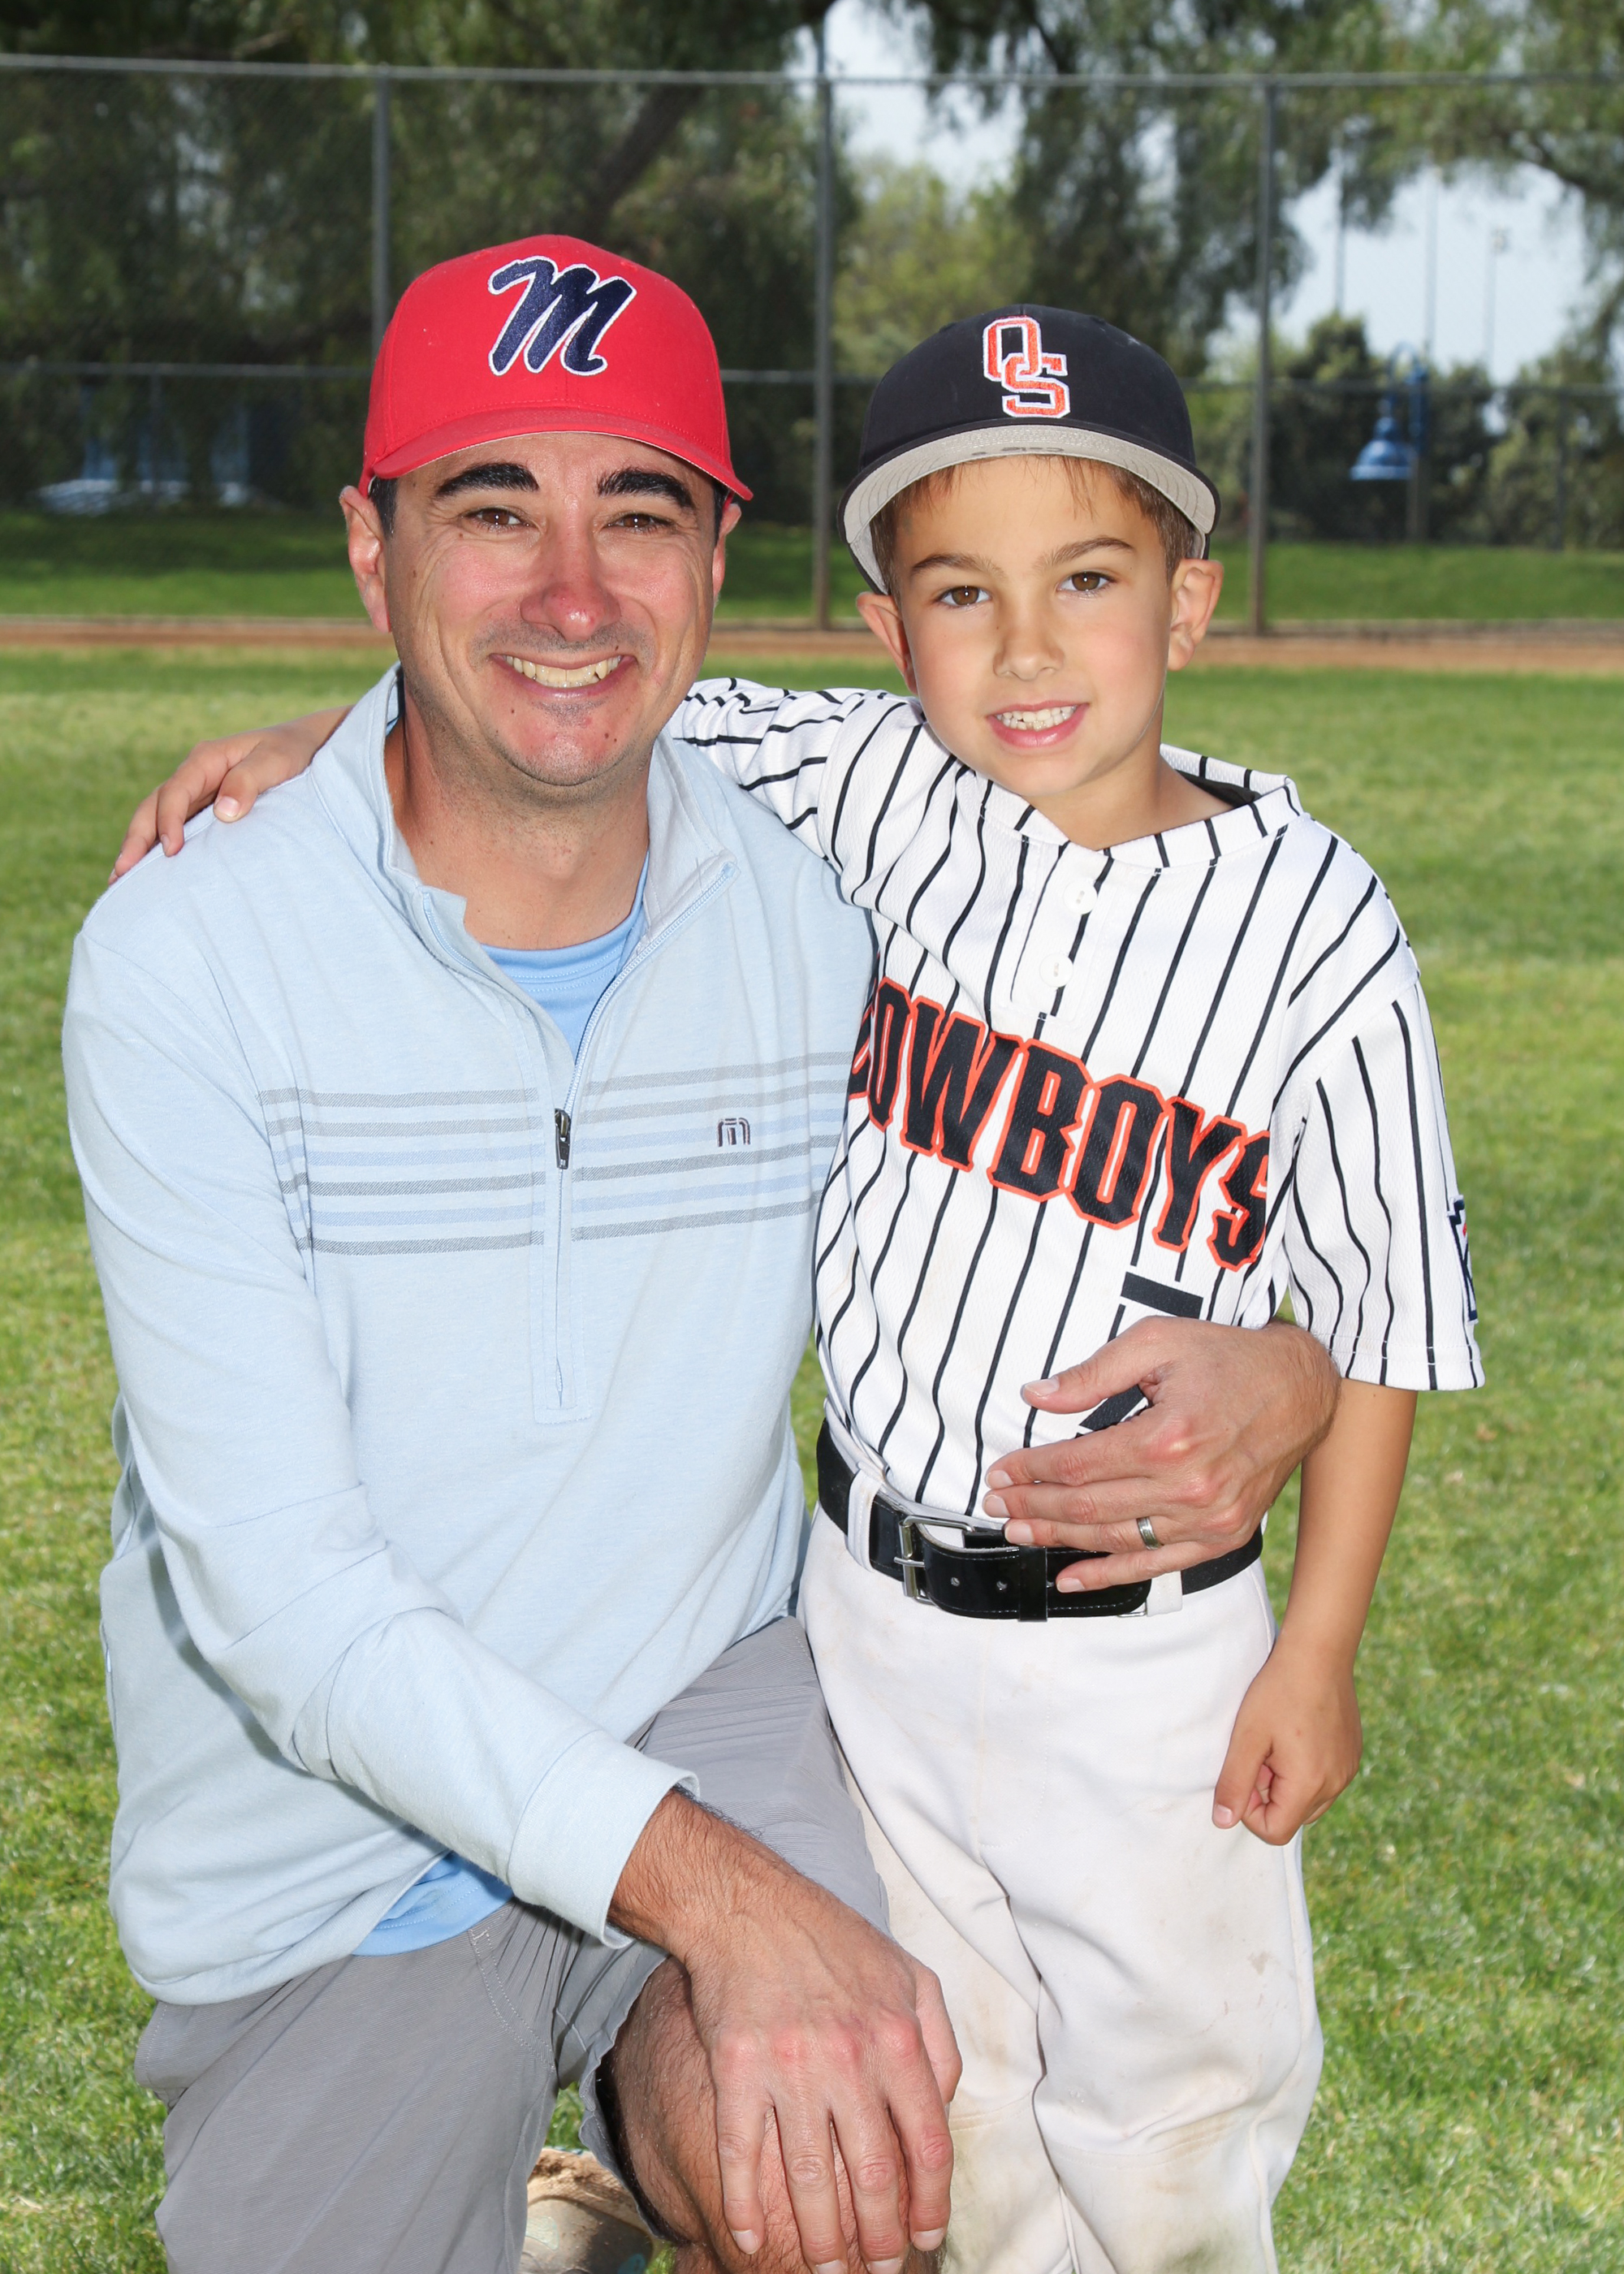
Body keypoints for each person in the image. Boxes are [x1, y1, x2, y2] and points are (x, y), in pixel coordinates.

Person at [97, 250, 1344, 2274]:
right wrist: (734, 1902)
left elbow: (1137, 1036)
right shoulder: (190, 957)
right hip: (335, 1857)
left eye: (638, 511)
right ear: (373, 547)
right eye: (492, 507)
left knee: (858, 2165)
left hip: (696, 1694)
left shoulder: (819, 894)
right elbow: (289, 1609)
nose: (571, 590)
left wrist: (1288, 1362)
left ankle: (644, 2142)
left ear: (713, 562)